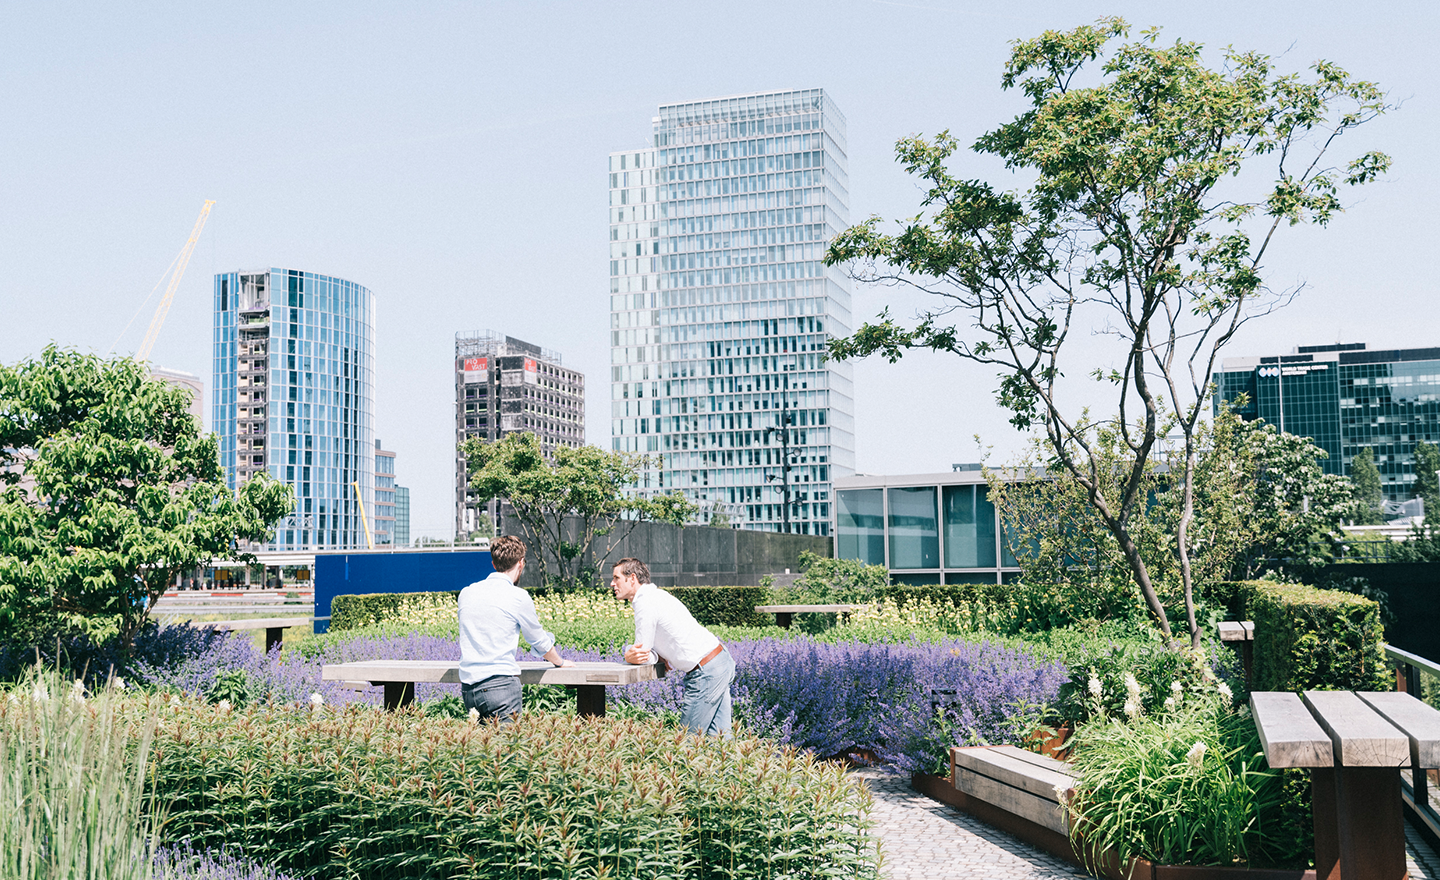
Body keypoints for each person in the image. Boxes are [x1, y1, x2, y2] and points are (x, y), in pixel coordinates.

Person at [612, 557, 733, 737]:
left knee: (685, 744)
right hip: (720, 661)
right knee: (721, 742)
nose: (612, 583)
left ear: (632, 579)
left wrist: (628, 654)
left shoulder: (644, 602)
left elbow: (642, 653)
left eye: (616, 578)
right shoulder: (657, 595)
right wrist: (658, 654)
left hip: (706, 673)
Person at [458, 535, 573, 723]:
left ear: (494, 564)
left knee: (479, 750)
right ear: (521, 563)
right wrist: (560, 662)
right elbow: (538, 640)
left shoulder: (467, 592)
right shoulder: (518, 596)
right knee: (507, 750)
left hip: (469, 689)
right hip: (501, 688)